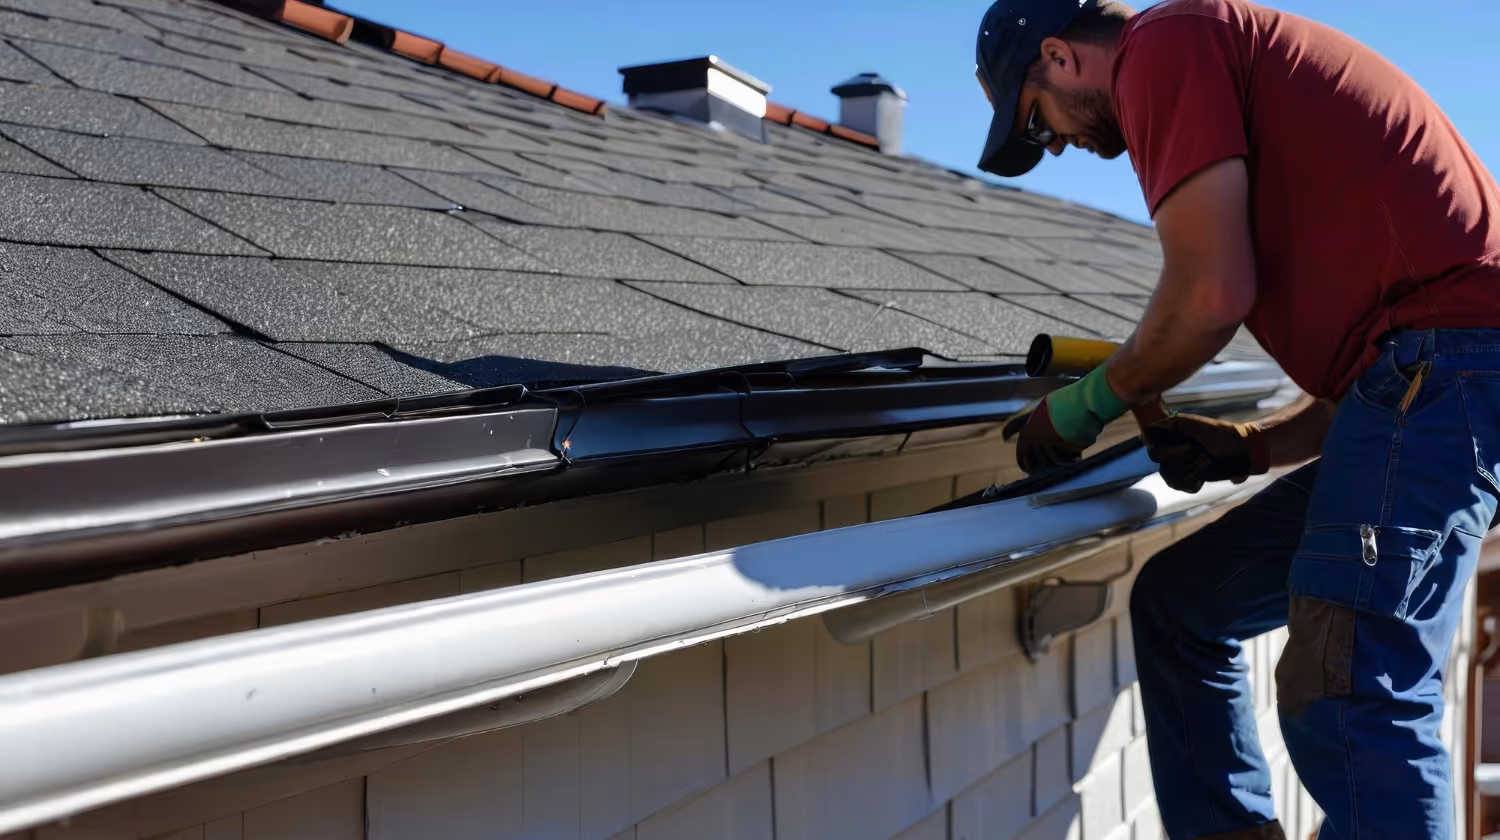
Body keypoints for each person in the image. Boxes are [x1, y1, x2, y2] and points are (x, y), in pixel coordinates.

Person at [977, 0, 1500, 837]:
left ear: (1060, 56)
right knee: (1183, 605)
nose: (1062, 145)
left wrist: (1081, 409)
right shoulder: (1204, 60)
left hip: (1448, 377)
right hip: (1423, 388)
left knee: (1355, 692)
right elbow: (1369, 389)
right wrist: (1252, 447)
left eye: (1039, 124)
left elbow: (1209, 296)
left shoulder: (1163, 45)